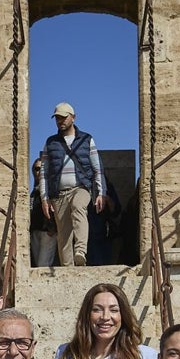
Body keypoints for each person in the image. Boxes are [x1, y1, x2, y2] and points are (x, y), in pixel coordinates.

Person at [39, 102, 105, 267]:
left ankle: (81, 250)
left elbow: (98, 168)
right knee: (64, 234)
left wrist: (101, 193)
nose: (60, 121)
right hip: (59, 194)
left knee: (78, 207)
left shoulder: (86, 139)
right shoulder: (50, 142)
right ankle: (68, 267)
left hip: (80, 188)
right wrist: (44, 198)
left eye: (64, 117)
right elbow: (44, 173)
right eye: (57, 118)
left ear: (73, 118)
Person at [86, 175, 122, 266]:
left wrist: (107, 199)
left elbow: (116, 211)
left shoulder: (108, 187)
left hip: (104, 233)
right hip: (87, 234)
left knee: (104, 263)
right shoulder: (83, 186)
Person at [29, 157, 57, 267]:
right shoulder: (34, 191)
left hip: (48, 232)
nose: (39, 172)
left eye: (42, 169)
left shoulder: (52, 188)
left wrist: (53, 227)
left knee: (43, 265)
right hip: (35, 230)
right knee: (37, 265)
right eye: (36, 169)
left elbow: (56, 207)